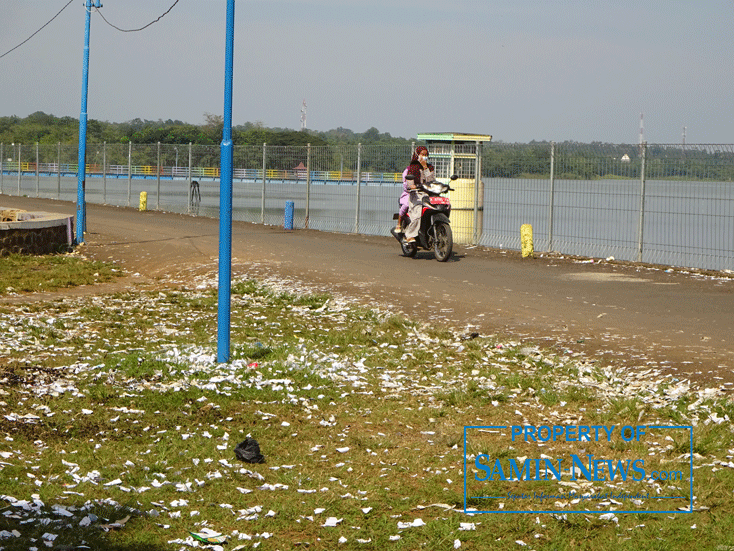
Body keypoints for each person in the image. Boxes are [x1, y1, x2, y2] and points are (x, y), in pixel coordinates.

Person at [396, 146, 435, 243]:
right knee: (417, 213)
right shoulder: (413, 167)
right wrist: (411, 186)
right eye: (422, 154)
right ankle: (409, 235)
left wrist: (425, 168)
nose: (424, 156)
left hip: (428, 194)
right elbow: (408, 181)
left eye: (426, 155)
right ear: (417, 155)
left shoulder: (430, 167)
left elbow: (431, 181)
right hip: (416, 195)